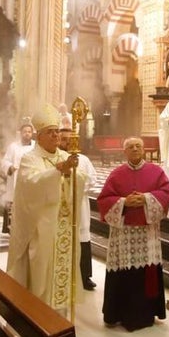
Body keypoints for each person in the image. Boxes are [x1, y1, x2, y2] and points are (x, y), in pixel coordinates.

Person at [8, 105, 86, 317]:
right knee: (42, 267)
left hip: (63, 223)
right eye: (50, 132)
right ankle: (39, 311)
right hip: (41, 225)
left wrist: (71, 174)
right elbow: (30, 184)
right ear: (39, 136)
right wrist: (59, 170)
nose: (55, 135)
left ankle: (60, 312)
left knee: (63, 267)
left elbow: (80, 182)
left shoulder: (65, 155)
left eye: (57, 131)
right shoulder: (30, 158)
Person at [97, 137, 169, 331]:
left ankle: (147, 313)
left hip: (147, 234)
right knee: (125, 273)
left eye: (138, 146)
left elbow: (166, 193)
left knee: (146, 271)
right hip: (124, 234)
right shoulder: (116, 174)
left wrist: (146, 199)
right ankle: (119, 313)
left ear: (144, 149)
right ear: (125, 152)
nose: (135, 149)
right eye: (130, 147)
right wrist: (124, 202)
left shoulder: (156, 172)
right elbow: (104, 199)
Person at [58, 120, 98, 290]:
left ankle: (84, 276)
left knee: (82, 238)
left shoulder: (84, 160)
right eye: (64, 139)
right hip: (60, 207)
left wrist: (77, 185)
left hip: (79, 206)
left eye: (71, 139)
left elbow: (92, 179)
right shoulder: (55, 158)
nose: (67, 142)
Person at [0, 122, 35, 233]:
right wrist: (10, 167)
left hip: (31, 179)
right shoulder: (13, 146)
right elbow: (5, 161)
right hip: (16, 179)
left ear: (32, 133)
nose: (27, 134)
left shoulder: (36, 146)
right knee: (15, 206)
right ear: (20, 133)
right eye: (25, 132)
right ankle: (13, 229)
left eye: (29, 132)